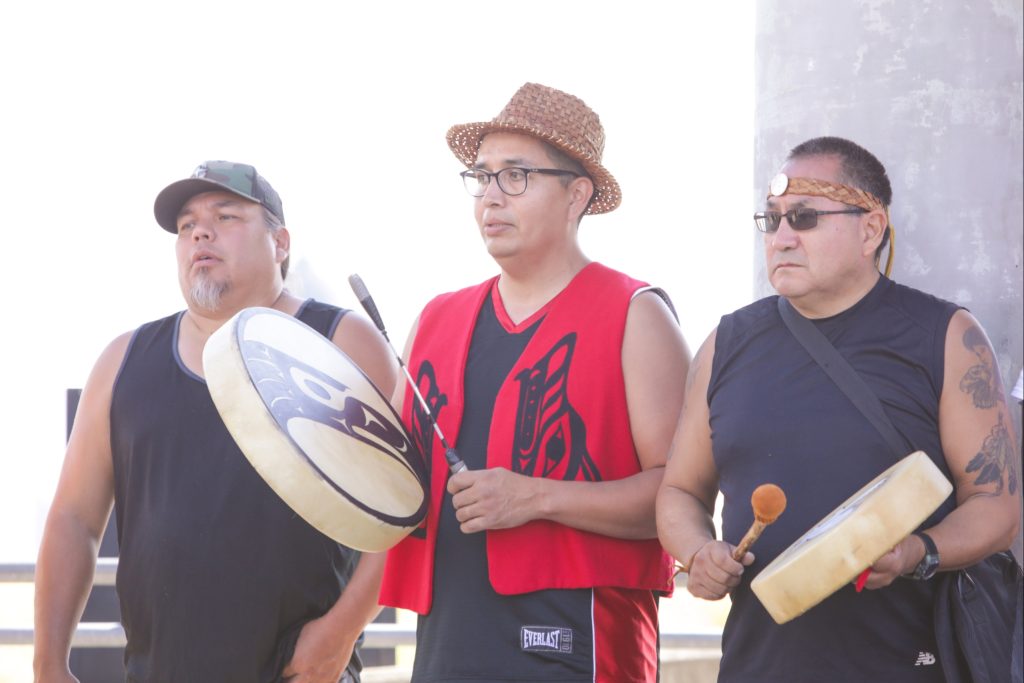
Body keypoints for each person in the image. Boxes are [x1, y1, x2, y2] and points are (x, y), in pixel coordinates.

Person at [656, 136, 1021, 682]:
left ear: (870, 229)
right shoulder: (724, 344)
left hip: (912, 665)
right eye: (771, 219)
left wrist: (918, 551)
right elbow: (680, 491)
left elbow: (995, 504)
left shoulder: (945, 336)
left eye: (803, 218)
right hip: (759, 667)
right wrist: (698, 551)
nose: (781, 238)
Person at [33, 161, 398, 683]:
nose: (200, 231)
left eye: (226, 216)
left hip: (298, 673)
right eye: (187, 226)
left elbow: (406, 514)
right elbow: (73, 518)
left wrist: (342, 632)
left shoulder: (341, 344)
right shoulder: (123, 362)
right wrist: (48, 664)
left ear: (281, 243)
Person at [378, 83, 690, 682]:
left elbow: (680, 499)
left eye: (516, 175)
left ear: (577, 196)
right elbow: (387, 482)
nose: (491, 196)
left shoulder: (636, 314)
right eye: (482, 175)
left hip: (583, 644)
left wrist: (534, 496)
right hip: (447, 643)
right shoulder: (434, 318)